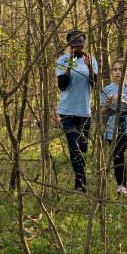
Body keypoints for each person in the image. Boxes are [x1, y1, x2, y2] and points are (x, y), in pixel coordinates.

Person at [56, 30, 99, 191]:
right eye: (73, 41)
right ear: (69, 44)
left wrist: (89, 67)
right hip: (67, 110)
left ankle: (81, 179)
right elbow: (62, 86)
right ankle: (80, 184)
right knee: (74, 146)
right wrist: (69, 67)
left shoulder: (91, 60)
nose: (77, 44)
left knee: (83, 148)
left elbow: (95, 85)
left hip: (84, 111)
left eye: (79, 41)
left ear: (84, 42)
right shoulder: (62, 59)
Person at [100, 57, 127, 197]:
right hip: (112, 124)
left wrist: (124, 101)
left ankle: (123, 186)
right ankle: (121, 187)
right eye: (115, 70)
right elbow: (101, 111)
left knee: (118, 150)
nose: (117, 72)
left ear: (126, 71)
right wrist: (107, 104)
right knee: (116, 154)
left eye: (120, 69)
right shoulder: (107, 89)